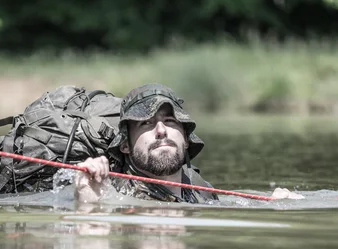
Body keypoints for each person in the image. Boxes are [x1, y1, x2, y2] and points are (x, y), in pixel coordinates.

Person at [74, 83, 303, 204]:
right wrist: (87, 189)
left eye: (170, 121)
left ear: (185, 137)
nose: (161, 131)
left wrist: (275, 203)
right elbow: (91, 227)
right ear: (125, 145)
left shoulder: (198, 187)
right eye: (146, 124)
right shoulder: (114, 192)